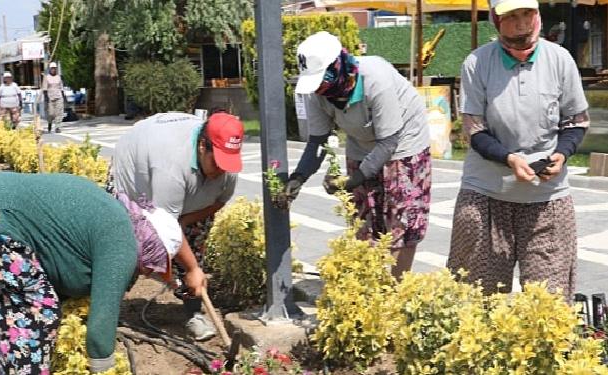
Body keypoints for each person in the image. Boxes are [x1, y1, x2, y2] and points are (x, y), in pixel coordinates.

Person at [0, 172, 205, 374]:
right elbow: (101, 325)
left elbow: (59, 266)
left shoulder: (117, 217)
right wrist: (105, 370)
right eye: (153, 265)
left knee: (2, 317)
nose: (148, 272)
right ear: (151, 247)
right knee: (36, 315)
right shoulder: (122, 240)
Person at [447, 0, 589, 301]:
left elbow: (576, 121)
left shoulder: (560, 60)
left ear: (537, 16)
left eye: (527, 14)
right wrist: (509, 159)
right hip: (486, 193)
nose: (522, 24)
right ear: (496, 22)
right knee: (476, 297)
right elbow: (473, 128)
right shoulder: (477, 63)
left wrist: (561, 154)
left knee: (548, 301)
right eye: (511, 17)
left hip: (546, 197)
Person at [280, 31, 432, 280]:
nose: (319, 88)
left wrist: (355, 177)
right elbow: (318, 140)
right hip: (362, 142)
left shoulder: (376, 80)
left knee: (401, 220)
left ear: (338, 65)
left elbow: (389, 141)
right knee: (363, 219)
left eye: (322, 81)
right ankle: (370, 287)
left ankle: (395, 290)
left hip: (405, 141)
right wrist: (298, 177)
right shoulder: (316, 92)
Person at [110, 111, 244, 340]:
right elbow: (164, 225)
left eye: (227, 163)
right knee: (131, 245)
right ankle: (107, 308)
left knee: (194, 246)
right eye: (217, 162)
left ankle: (193, 314)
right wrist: (191, 269)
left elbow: (220, 201)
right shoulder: (170, 165)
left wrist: (186, 222)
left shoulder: (226, 164)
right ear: (203, 146)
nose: (222, 170)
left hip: (179, 195)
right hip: (135, 178)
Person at [42, 62, 65, 133]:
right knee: (51, 114)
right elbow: (45, 89)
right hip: (50, 98)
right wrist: (46, 98)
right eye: (52, 68)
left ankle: (58, 127)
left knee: (59, 113)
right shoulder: (47, 77)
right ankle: (50, 123)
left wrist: (64, 97)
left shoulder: (58, 77)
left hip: (59, 97)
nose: (53, 70)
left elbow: (61, 88)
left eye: (55, 69)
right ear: (50, 69)